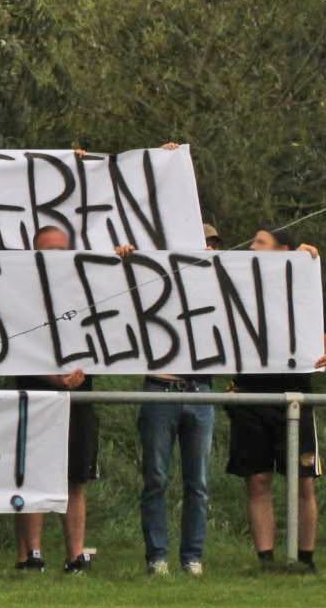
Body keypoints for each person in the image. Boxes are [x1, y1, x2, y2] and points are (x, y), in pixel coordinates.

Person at [128, 223, 221, 576]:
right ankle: (157, 557)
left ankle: (192, 557)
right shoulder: (155, 280)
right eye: (204, 243)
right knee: (156, 478)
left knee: (197, 482)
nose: (209, 249)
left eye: (213, 244)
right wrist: (128, 257)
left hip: (199, 390)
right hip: (160, 389)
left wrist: (305, 256)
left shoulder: (217, 285)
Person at [226, 227, 320, 571]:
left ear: (284, 250)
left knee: (304, 480)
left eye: (261, 242)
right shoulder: (241, 284)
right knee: (258, 478)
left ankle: (305, 557)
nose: (252, 247)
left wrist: (309, 259)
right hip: (250, 392)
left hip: (296, 392)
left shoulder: (302, 282)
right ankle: (265, 558)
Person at [14, 226, 94, 573]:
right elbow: (15, 346)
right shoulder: (20, 295)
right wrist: (54, 378)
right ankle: (31, 553)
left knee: (75, 476)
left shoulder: (86, 291)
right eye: (48, 251)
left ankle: (75, 555)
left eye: (62, 250)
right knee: (32, 473)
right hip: (35, 393)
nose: (56, 257)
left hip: (78, 395)